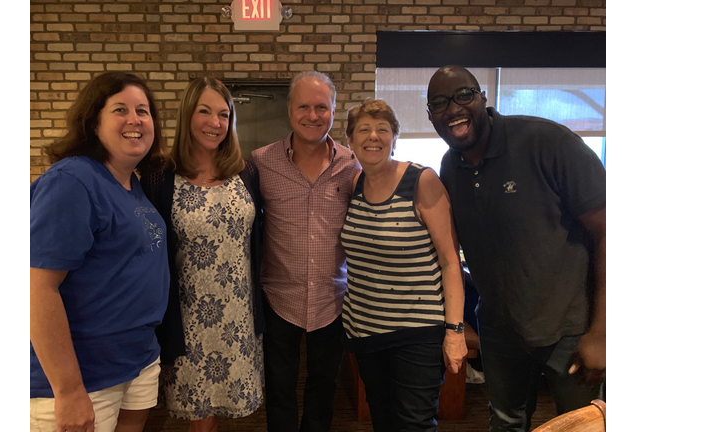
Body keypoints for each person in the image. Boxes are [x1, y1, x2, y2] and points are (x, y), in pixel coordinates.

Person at [427, 65, 606, 431]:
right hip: (499, 328)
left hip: (569, 329)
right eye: (440, 103)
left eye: (464, 95)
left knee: (579, 425)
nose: (453, 109)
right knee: (506, 422)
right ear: (430, 115)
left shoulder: (547, 142)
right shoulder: (450, 167)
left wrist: (603, 332)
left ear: (483, 98)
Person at [30, 71, 170, 432]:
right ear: (93, 122)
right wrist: (69, 390)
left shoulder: (129, 184)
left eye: (143, 110)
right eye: (120, 109)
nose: (135, 119)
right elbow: (37, 288)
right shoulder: (72, 181)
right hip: (85, 375)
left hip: (136, 359)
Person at [140, 77, 265, 432]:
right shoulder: (159, 176)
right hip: (189, 316)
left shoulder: (246, 172)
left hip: (239, 314)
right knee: (199, 413)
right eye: (205, 112)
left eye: (223, 115)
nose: (215, 123)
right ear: (187, 115)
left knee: (224, 408)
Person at [340, 99, 468, 432]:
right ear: (350, 141)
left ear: (394, 138)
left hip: (416, 332)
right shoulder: (355, 185)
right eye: (364, 130)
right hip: (365, 329)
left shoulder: (421, 181)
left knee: (415, 424)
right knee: (382, 418)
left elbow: (450, 263)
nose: (374, 136)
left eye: (383, 129)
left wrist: (454, 332)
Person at [250, 70, 361, 432]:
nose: (312, 116)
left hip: (333, 298)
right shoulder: (261, 162)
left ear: (333, 110)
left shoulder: (353, 165)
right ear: (289, 110)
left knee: (322, 388)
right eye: (304, 107)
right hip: (279, 296)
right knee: (279, 388)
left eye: (321, 107)